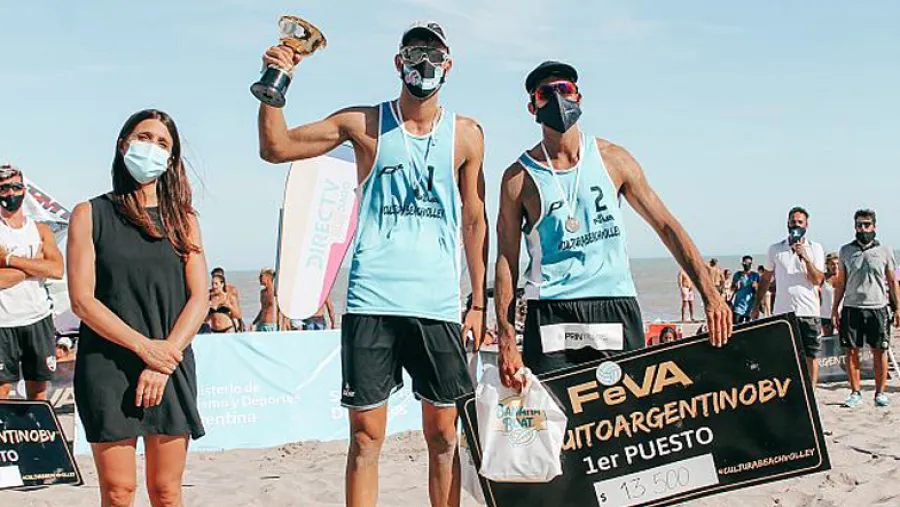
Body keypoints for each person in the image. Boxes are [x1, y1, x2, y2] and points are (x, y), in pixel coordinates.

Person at [257, 21, 488, 507]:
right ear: (398, 62)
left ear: (448, 65)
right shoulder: (363, 123)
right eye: (414, 52)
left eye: (433, 54)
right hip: (373, 299)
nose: (423, 63)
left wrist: (478, 304)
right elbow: (275, 149)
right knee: (365, 437)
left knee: (445, 436)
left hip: (436, 303)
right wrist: (275, 84)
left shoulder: (466, 135)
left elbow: (474, 220)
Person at [494, 60, 731, 387]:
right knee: (553, 414)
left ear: (578, 98)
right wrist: (506, 338)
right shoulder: (518, 178)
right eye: (545, 93)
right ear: (532, 107)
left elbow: (665, 225)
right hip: (551, 309)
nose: (558, 98)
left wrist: (710, 294)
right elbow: (506, 259)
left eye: (565, 89)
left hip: (613, 303)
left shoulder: (613, 159)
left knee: (626, 409)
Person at [67, 109, 207, 507]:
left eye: (163, 143)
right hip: (107, 363)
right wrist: (146, 349)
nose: (152, 148)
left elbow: (199, 298)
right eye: (144, 137)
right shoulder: (89, 214)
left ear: (172, 159)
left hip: (170, 364)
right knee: (118, 492)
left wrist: (163, 360)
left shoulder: (184, 220)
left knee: (166, 492)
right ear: (123, 144)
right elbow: (82, 300)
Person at [0, 164, 64, 400]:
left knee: (38, 393)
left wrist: (10, 260)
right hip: (3, 322)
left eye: (16, 187)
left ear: (24, 190)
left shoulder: (40, 230)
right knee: (2, 391)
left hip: (37, 318)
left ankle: (36, 427)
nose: (10, 193)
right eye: (4, 188)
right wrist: (35, 266)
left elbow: (56, 269)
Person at [831, 209, 898, 408]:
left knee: (880, 351)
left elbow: (892, 281)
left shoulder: (885, 251)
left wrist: (898, 308)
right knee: (851, 352)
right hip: (852, 307)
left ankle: (880, 393)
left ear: (874, 226)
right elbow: (841, 283)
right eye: (859, 225)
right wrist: (835, 308)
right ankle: (855, 392)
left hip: (878, 307)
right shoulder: (845, 251)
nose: (863, 228)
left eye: (867, 224)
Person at [753, 207, 825, 384]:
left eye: (800, 222)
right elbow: (766, 279)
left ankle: (811, 391)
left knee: (811, 356)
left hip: (809, 311)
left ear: (806, 225)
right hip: (783, 312)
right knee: (784, 355)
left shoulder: (815, 248)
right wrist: (756, 306)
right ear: (787, 223)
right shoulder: (776, 249)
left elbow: (817, 280)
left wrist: (805, 258)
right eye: (793, 222)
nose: (796, 225)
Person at [731, 255, 760, 324]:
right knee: (736, 326)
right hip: (738, 306)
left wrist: (756, 286)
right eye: (745, 263)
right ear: (742, 264)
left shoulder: (755, 275)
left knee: (750, 327)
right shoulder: (737, 274)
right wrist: (736, 286)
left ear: (751, 264)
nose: (747, 265)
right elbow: (732, 288)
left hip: (750, 306)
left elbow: (759, 290)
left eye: (749, 263)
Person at [820, 252, 839, 337]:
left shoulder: (844, 277)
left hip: (841, 315)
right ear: (827, 265)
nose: (835, 266)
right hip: (825, 315)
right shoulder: (822, 278)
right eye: (832, 264)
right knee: (827, 340)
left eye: (837, 264)